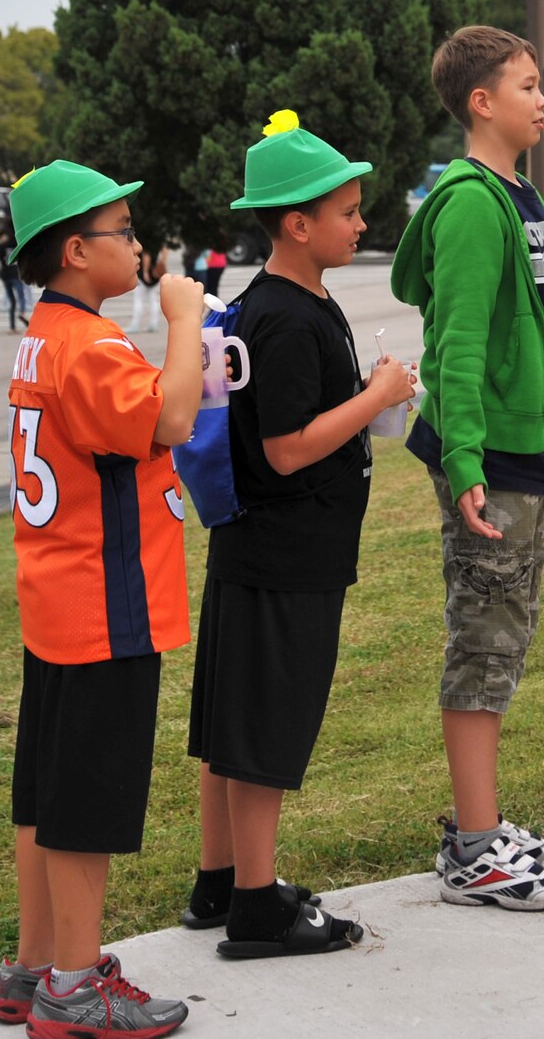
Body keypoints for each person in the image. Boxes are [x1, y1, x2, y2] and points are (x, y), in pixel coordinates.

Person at [183, 111, 416, 957]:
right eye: (349, 211)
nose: (361, 223)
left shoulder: (287, 303)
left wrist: (361, 397)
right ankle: (256, 905)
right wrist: (377, 395)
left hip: (264, 551)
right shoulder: (283, 317)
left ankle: (220, 881)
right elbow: (285, 450)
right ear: (298, 223)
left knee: (231, 725)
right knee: (264, 734)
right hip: (285, 556)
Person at [390, 26, 544, 910]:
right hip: (492, 459)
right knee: (484, 636)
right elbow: (460, 343)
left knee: (506, 630)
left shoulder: (522, 195)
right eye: (526, 85)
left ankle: (483, 826)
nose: (540, 98)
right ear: (482, 102)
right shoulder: (475, 203)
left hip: (526, 447)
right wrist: (470, 457)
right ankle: (475, 851)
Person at [0, 160, 201, 1038]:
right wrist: (184, 318)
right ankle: (75, 986)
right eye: (121, 230)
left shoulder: (44, 331)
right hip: (104, 603)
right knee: (83, 800)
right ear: (77, 251)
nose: (138, 243)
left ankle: (33, 966)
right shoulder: (95, 344)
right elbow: (172, 418)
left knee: (42, 790)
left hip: (55, 597)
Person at [0, 226, 30, 332]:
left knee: (12, 301)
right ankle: (22, 313)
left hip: (5, 275)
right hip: (14, 274)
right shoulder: (13, 244)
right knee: (21, 296)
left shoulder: (0, 247)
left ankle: (12, 327)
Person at [128, 240, 168, 332]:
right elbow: (165, 250)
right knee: (153, 299)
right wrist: (162, 261)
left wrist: (145, 271)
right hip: (155, 273)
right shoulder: (158, 238)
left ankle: (135, 324)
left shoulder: (147, 238)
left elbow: (146, 255)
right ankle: (153, 324)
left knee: (139, 300)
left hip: (145, 274)